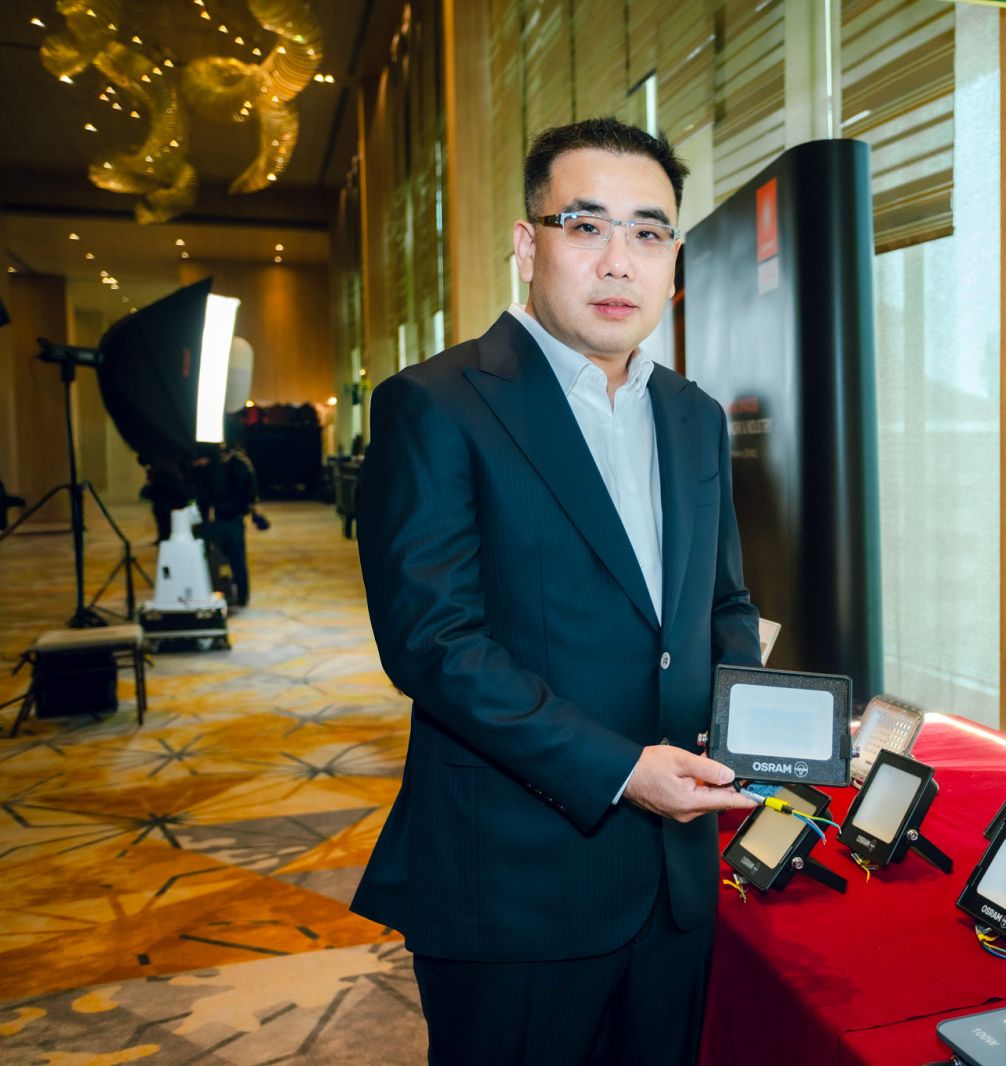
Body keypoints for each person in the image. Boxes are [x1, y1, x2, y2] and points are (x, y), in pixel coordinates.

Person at [353, 117, 762, 1065]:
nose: (619, 261)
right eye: (586, 227)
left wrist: (756, 727)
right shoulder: (438, 403)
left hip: (674, 882)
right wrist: (623, 771)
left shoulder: (693, 416)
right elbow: (434, 644)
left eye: (648, 233)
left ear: (673, 259)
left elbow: (723, 605)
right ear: (528, 245)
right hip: (516, 884)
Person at [194, 441, 259, 607]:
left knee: (218, 560)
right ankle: (240, 596)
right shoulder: (241, 465)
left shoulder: (213, 467)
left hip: (220, 519)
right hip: (233, 518)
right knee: (237, 560)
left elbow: (203, 494)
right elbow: (249, 493)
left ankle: (224, 594)